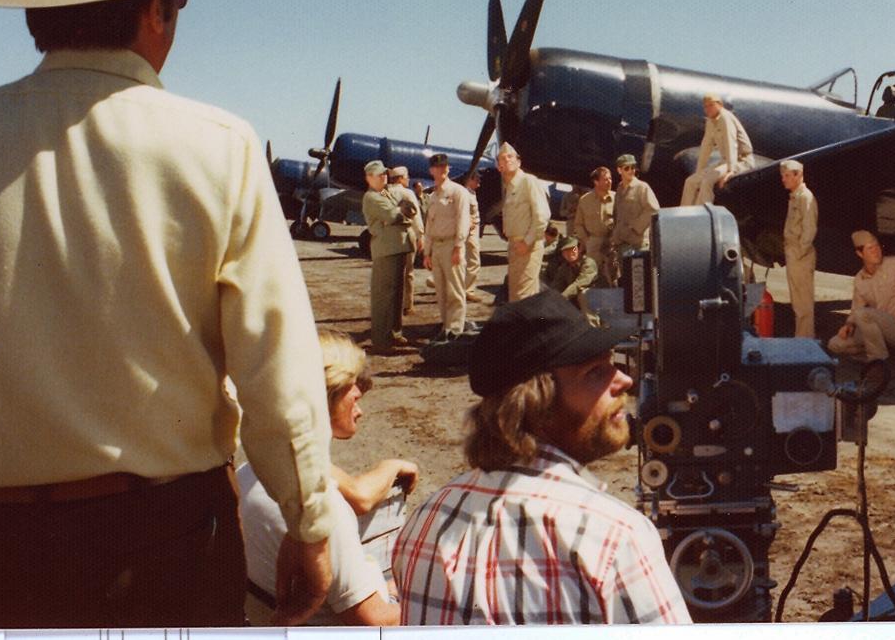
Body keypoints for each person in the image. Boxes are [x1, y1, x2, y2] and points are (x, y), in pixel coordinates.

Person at [0, 0, 333, 628]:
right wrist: (309, 523)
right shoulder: (217, 145)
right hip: (163, 539)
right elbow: (276, 369)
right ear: (155, 11)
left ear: (36, 14)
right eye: (176, 7)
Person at [392, 291, 691, 624]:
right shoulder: (613, 537)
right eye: (595, 372)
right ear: (539, 405)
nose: (624, 380)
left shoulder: (427, 520)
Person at [241, 329, 416, 626]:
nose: (359, 408)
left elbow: (358, 492)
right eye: (354, 391)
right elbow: (374, 623)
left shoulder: (252, 471)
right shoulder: (322, 510)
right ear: (329, 393)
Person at [828, 230, 895, 363]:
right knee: (835, 344)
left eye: (877, 246)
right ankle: (881, 350)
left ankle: (878, 362)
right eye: (870, 248)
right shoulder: (860, 279)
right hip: (878, 329)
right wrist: (849, 325)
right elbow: (856, 308)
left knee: (864, 314)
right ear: (860, 253)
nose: (876, 251)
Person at [362, 159, 418, 350]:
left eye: (385, 174)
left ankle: (395, 333)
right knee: (384, 296)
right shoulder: (371, 197)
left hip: (398, 246)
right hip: (386, 250)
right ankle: (381, 339)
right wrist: (399, 213)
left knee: (396, 295)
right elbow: (394, 215)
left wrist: (400, 213)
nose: (384, 177)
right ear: (369, 178)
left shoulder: (384, 192)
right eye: (379, 175)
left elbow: (409, 209)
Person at [424, 153, 470, 341]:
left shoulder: (458, 191)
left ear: (448, 169)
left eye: (445, 166)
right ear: (431, 170)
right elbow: (429, 225)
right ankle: (446, 327)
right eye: (437, 167)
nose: (442, 169)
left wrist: (459, 247)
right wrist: (427, 252)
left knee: (455, 291)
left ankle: (456, 332)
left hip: (452, 245)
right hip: (437, 247)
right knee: (441, 291)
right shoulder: (433, 195)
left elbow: (463, 220)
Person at [498, 142, 551, 301]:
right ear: (499, 166)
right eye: (502, 158)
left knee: (522, 297)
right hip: (516, 246)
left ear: (519, 162)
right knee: (519, 294)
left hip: (527, 246)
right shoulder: (509, 187)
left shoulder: (528, 181)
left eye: (510, 156)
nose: (506, 160)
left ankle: (524, 327)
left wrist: (527, 242)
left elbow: (542, 215)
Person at [680, 93, 754, 206]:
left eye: (711, 105)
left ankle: (702, 214)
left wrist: (731, 170)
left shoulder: (725, 118)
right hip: (725, 161)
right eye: (705, 106)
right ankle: (684, 216)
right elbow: (706, 146)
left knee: (707, 181)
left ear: (720, 105)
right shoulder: (710, 121)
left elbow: (731, 143)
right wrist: (699, 170)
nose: (707, 109)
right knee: (690, 182)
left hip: (741, 161)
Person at [780, 159, 819, 338]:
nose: (784, 179)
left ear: (798, 175)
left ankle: (805, 341)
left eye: (787, 176)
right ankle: (801, 338)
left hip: (799, 255)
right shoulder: (795, 196)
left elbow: (809, 229)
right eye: (783, 176)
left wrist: (799, 252)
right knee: (797, 301)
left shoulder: (805, 197)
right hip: (793, 253)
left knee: (803, 303)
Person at [611, 153, 660, 283]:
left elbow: (653, 209)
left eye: (633, 167)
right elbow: (616, 213)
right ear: (619, 170)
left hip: (637, 243)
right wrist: (615, 233)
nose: (631, 171)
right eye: (627, 168)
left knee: (640, 282)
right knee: (627, 280)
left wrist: (636, 227)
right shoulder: (620, 189)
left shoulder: (642, 187)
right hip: (622, 243)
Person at [389, 166, 425, 318]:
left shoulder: (384, 193)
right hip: (405, 236)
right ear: (401, 178)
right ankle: (407, 306)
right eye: (407, 177)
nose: (408, 179)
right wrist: (420, 235)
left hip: (388, 237)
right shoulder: (407, 193)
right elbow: (415, 215)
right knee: (408, 273)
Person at [573, 166, 616, 284]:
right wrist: (587, 241)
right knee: (592, 276)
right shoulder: (585, 200)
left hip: (612, 244)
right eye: (606, 179)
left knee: (613, 276)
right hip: (593, 244)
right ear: (596, 182)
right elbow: (578, 224)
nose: (609, 182)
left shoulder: (617, 198)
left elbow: (623, 220)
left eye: (610, 179)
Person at [546, 235, 601, 319]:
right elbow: (557, 285)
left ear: (579, 249)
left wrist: (563, 297)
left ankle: (593, 326)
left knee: (583, 295)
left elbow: (579, 284)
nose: (570, 253)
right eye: (566, 251)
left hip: (597, 299)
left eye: (573, 249)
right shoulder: (565, 267)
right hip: (574, 298)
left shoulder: (588, 263)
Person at [462, 172, 484, 302]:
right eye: (476, 181)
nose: (479, 184)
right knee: (474, 261)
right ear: (469, 180)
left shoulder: (471, 193)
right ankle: (467, 290)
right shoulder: (465, 194)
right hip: (469, 233)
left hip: (471, 231)